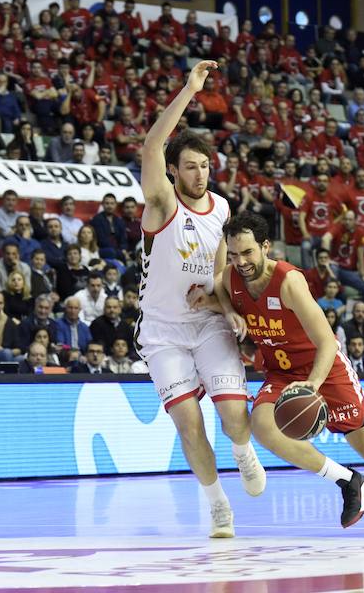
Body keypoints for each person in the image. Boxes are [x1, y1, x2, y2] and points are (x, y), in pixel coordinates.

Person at [210, 211, 364, 536]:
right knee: (263, 427)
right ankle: (349, 480)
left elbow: (327, 342)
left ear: (266, 246)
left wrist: (312, 384)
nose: (240, 261)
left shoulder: (288, 282)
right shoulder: (231, 278)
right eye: (234, 254)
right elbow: (218, 290)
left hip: (323, 367)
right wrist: (226, 310)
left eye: (247, 252)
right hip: (282, 373)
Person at [136, 59, 265, 538]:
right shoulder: (162, 203)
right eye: (190, 166)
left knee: (234, 418)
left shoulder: (224, 210)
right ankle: (216, 504)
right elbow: (151, 144)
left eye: (205, 165)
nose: (200, 173)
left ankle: (242, 450)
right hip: (163, 332)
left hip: (207, 324)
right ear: (173, 172)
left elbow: (218, 275)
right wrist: (190, 90)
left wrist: (228, 310)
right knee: (189, 425)